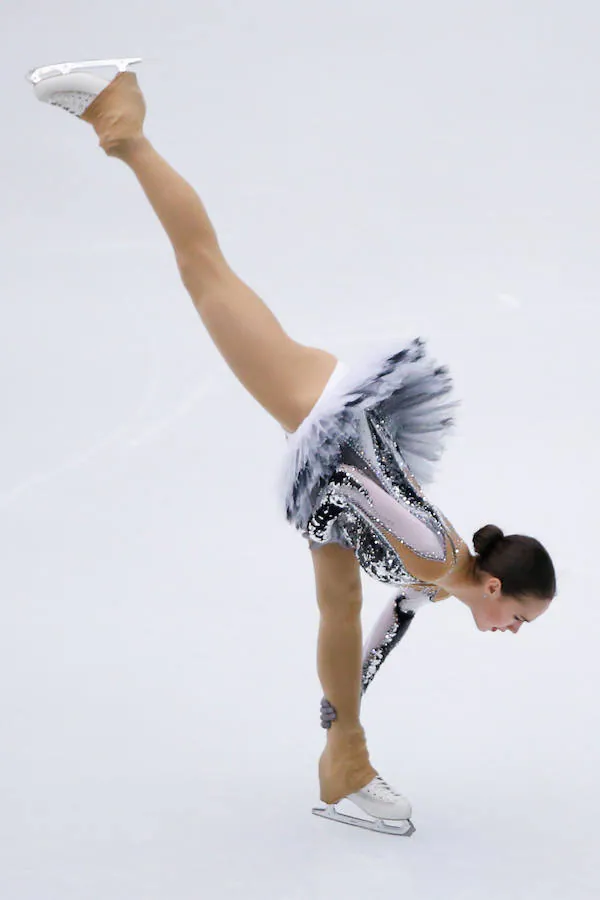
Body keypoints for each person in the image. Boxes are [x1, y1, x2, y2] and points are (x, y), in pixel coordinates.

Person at [28, 60, 557, 836]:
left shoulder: (441, 578)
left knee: (337, 605)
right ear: (496, 591)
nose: (512, 633)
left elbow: (384, 623)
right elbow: (363, 495)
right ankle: (123, 121)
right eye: (520, 619)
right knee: (204, 271)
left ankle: (346, 760)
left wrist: (346, 702)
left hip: (334, 430)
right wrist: (320, 510)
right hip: (322, 417)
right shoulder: (434, 559)